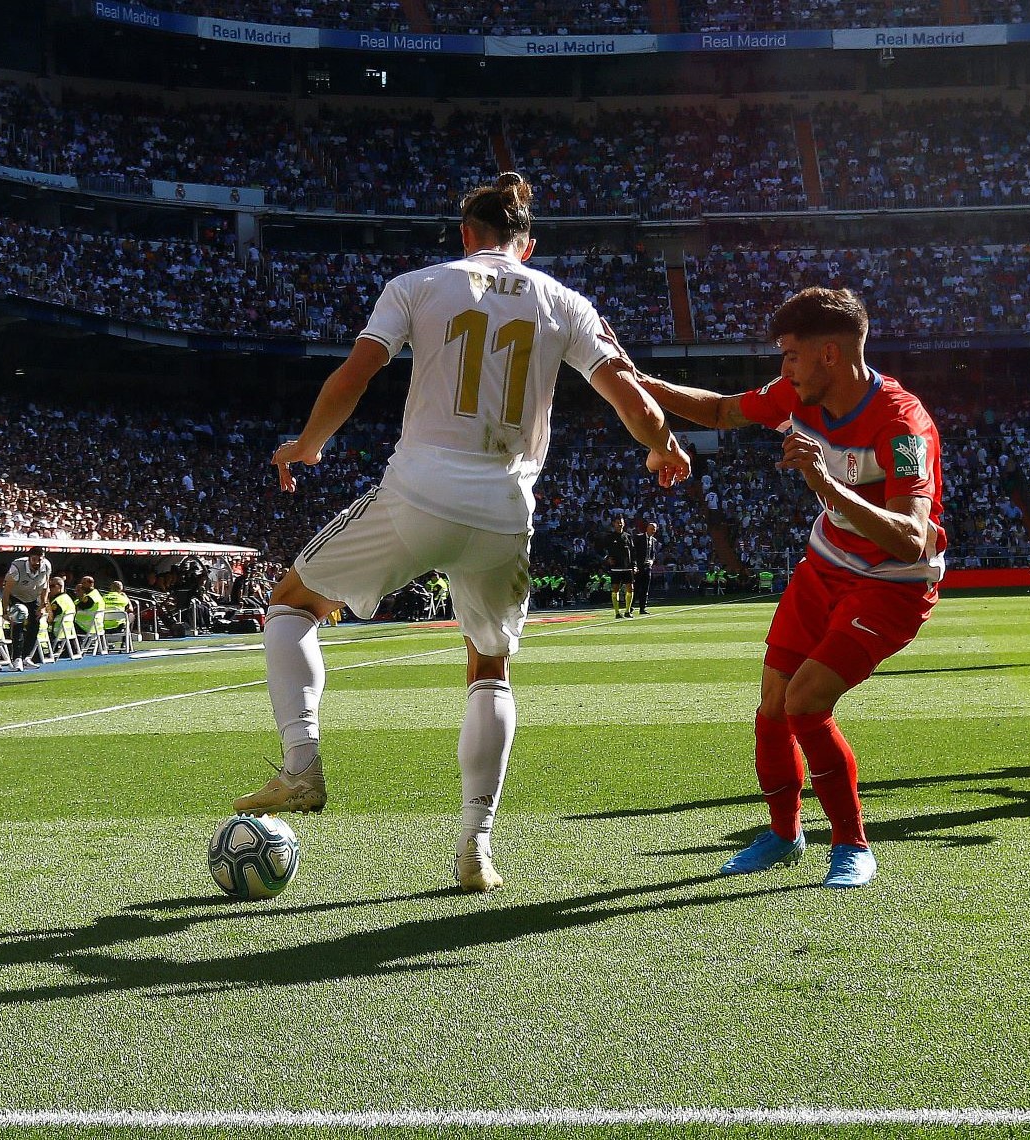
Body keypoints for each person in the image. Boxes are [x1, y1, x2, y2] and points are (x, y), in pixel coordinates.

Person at [232, 172, 691, 893]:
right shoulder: (564, 302)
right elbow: (629, 396)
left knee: (291, 605)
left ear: (464, 236)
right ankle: (474, 848)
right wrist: (661, 447)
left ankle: (301, 766)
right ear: (527, 246)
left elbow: (356, 373)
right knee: (489, 667)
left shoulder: (416, 284)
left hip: (418, 492)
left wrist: (310, 443)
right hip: (505, 511)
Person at [639, 287, 945, 890]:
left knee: (806, 704)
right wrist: (629, 380)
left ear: (829, 354)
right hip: (824, 566)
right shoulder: (796, 396)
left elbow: (909, 539)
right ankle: (784, 833)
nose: (782, 370)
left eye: (790, 356)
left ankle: (852, 843)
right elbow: (721, 410)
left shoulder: (902, 423)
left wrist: (823, 481)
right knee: (772, 708)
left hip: (892, 584)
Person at [2, 547, 50, 668]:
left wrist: (43, 606)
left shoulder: (46, 566)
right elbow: (7, 590)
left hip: (33, 597)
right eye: (34, 560)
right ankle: (16, 659)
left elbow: (45, 586)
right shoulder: (17, 567)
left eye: (40, 559)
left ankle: (26, 657)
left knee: (35, 625)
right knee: (18, 624)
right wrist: (5, 610)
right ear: (29, 559)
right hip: (16, 597)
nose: (37, 563)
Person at [603, 517, 634, 619]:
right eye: (617, 523)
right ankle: (617, 612)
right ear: (614, 524)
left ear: (624, 524)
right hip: (616, 568)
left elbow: (633, 552)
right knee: (615, 589)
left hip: (627, 568)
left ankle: (627, 611)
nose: (619, 524)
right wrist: (607, 558)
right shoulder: (610, 537)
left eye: (621, 523)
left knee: (630, 588)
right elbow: (602, 550)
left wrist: (634, 564)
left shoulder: (628, 536)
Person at [630, 519, 658, 615]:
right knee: (636, 588)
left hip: (647, 567)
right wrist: (635, 565)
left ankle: (643, 608)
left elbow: (653, 554)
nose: (653, 531)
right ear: (647, 529)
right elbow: (633, 552)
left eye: (654, 529)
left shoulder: (654, 541)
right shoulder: (639, 538)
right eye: (651, 529)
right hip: (639, 567)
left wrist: (652, 561)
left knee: (645, 588)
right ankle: (630, 608)